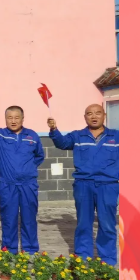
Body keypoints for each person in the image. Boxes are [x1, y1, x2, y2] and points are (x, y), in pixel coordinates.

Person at [48, 104, 119, 265]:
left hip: (108, 186)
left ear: (104, 115)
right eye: (89, 114)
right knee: (83, 223)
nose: (94, 116)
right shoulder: (78, 136)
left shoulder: (116, 136)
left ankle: (107, 261)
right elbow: (62, 143)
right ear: (85, 117)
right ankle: (82, 258)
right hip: (83, 185)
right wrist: (54, 130)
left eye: (98, 113)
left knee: (107, 224)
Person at [0, 103, 44, 254]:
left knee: (29, 218)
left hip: (28, 184)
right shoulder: (0, 135)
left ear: (23, 118)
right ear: (5, 119)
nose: (13, 121)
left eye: (17, 118)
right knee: (9, 218)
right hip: (8, 185)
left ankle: (30, 250)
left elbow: (39, 156)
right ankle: (9, 250)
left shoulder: (32, 136)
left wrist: (27, 168)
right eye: (10, 118)